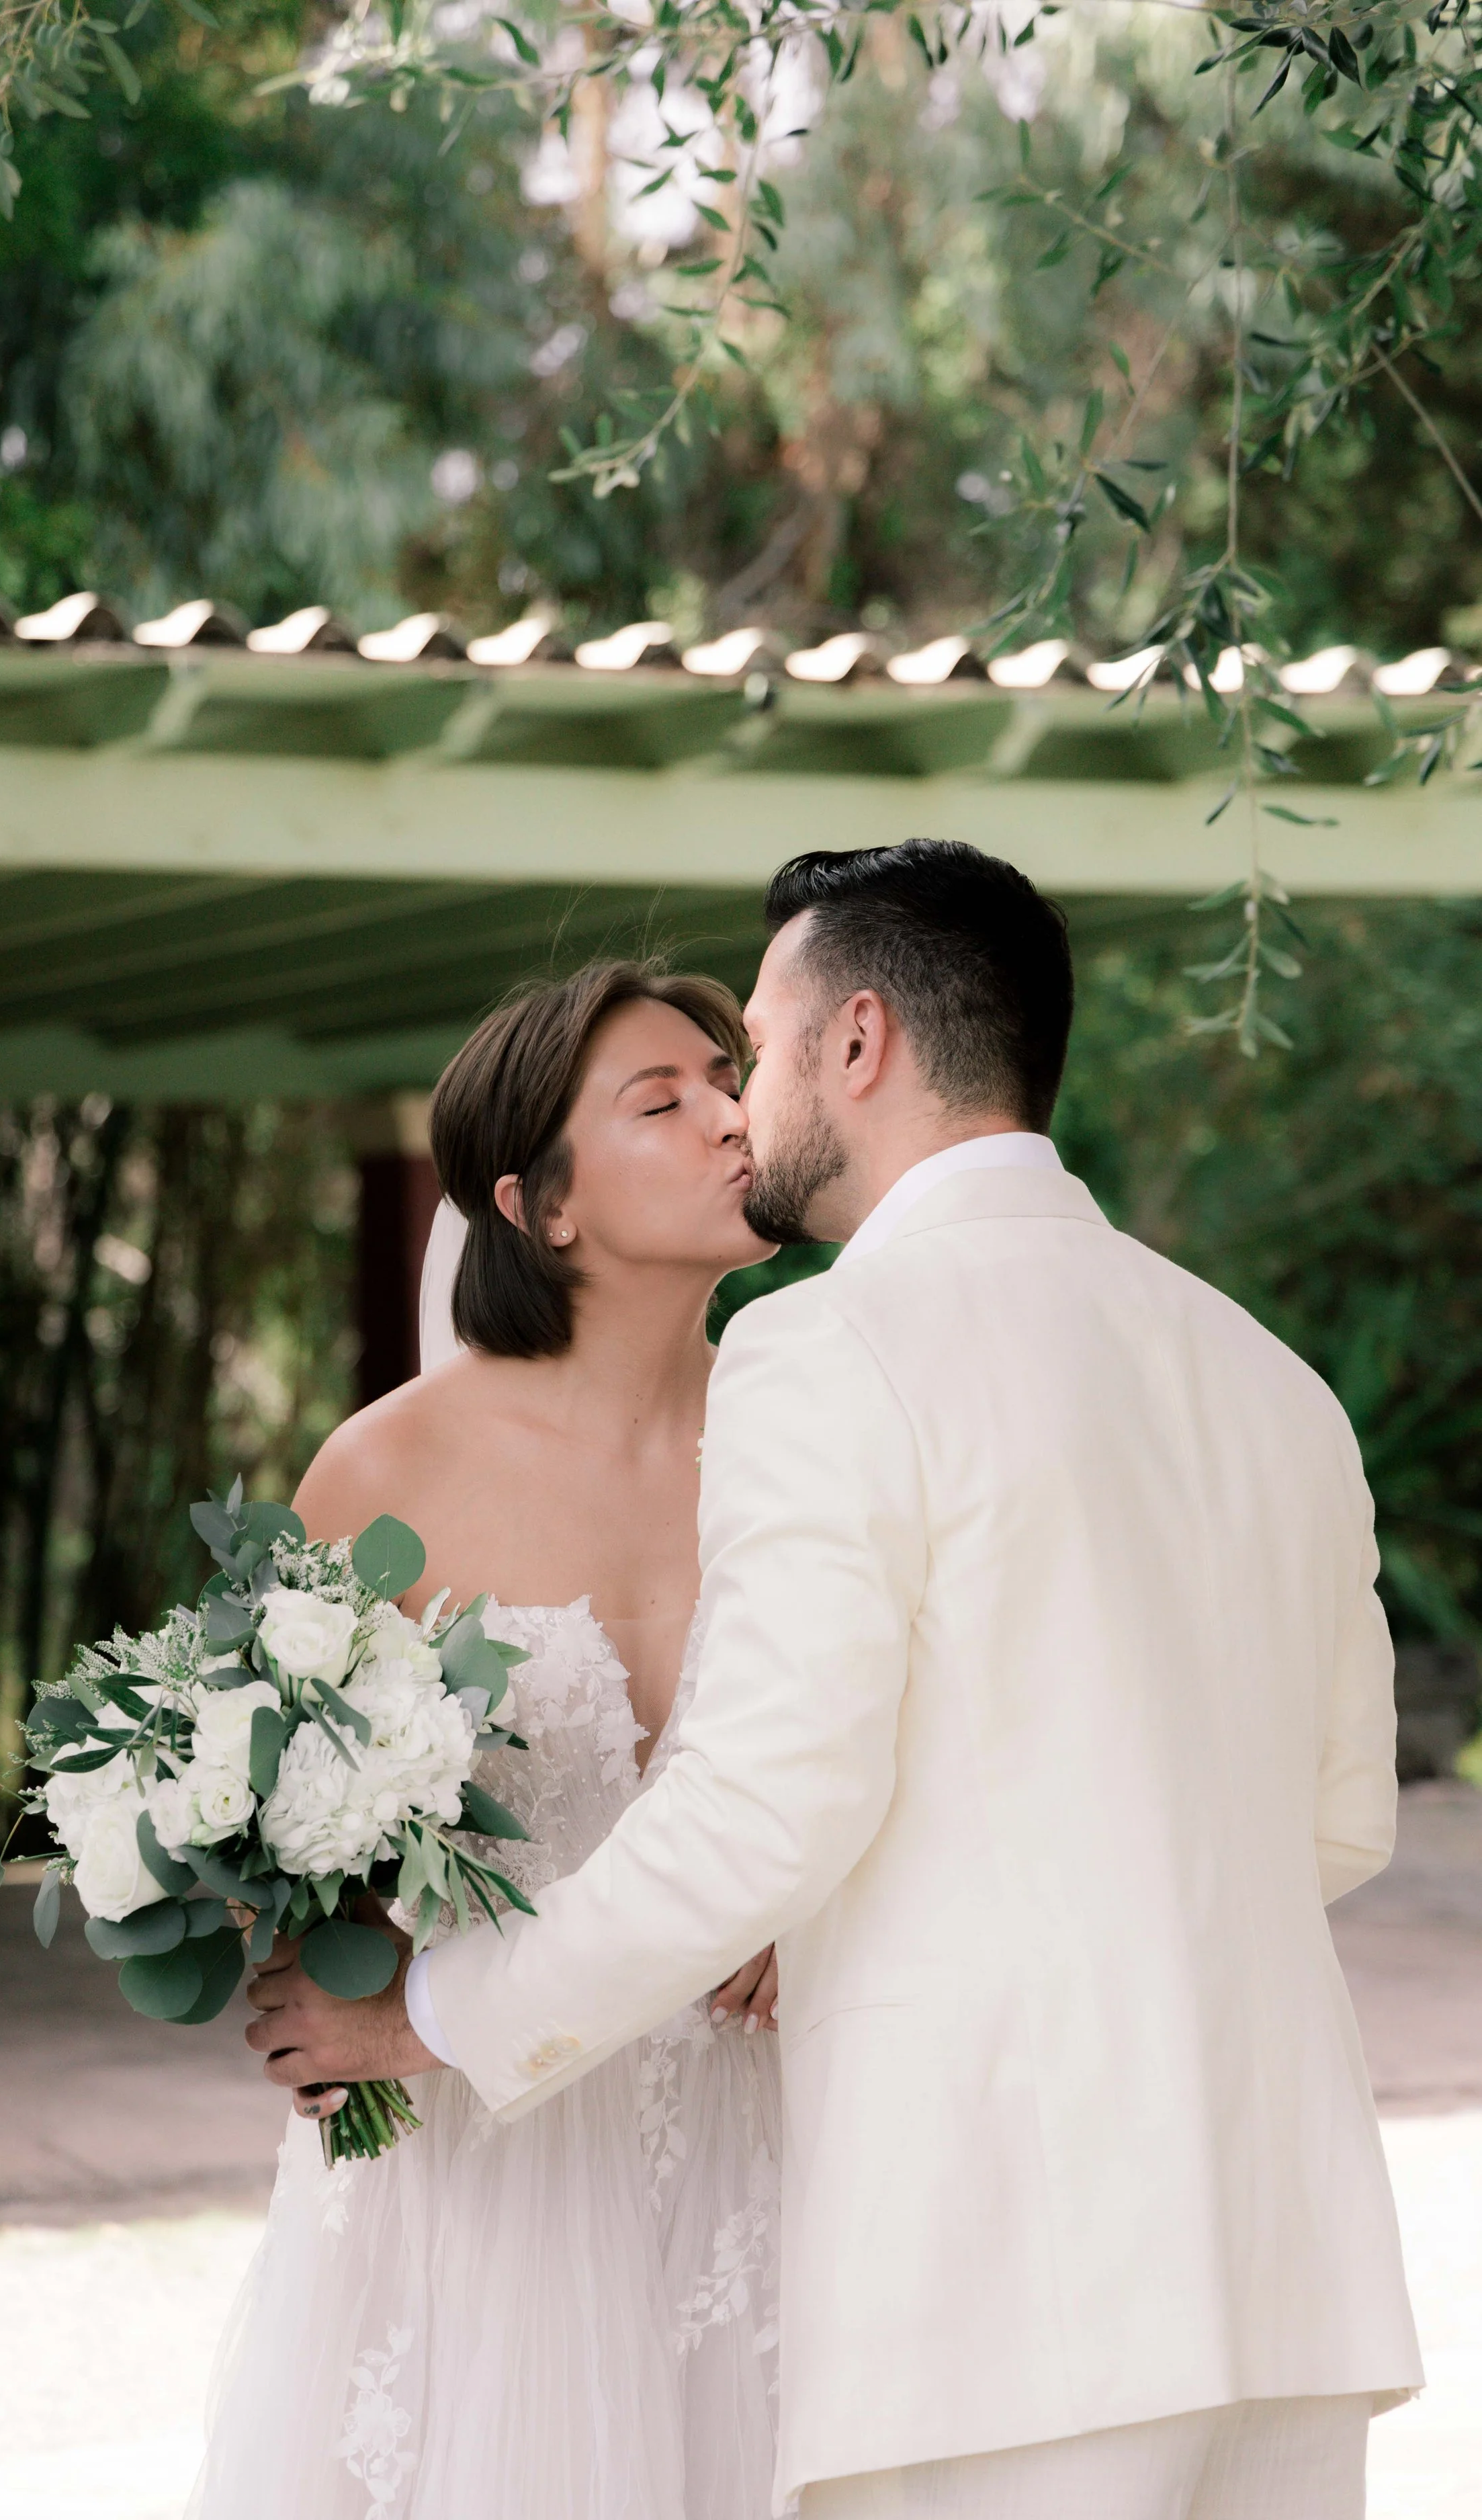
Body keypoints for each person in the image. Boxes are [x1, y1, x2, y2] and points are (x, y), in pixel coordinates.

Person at [252, 837, 1424, 2520]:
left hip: (1000, 2296)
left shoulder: (827, 1347)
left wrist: (431, 2012)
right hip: (1281, 2280)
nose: (747, 1109)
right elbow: (1329, 1818)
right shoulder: (1266, 1379)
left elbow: (757, 1814)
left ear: (855, 1045)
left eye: (767, 1052)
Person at [192, 960, 789, 2520]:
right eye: (664, 1101)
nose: (734, 1119)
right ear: (539, 1206)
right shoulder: (387, 1466)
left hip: (770, 2143)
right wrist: (310, 1960)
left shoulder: (809, 1438)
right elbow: (274, 1837)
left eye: (729, 1080)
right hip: (487, 2172)